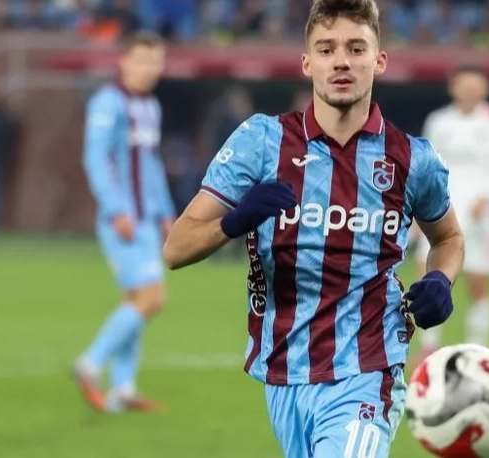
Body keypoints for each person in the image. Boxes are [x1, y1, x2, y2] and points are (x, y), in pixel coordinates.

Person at [163, 0, 464, 456]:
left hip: (369, 369)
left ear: (379, 61)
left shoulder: (411, 158)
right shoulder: (262, 142)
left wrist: (441, 279)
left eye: (356, 48)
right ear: (307, 63)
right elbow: (175, 249)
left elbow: (449, 238)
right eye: (326, 49)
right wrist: (235, 221)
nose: (341, 61)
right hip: (285, 371)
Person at [74, 31, 175, 413]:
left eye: (156, 61)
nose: (150, 69)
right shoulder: (108, 102)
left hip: (147, 218)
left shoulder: (151, 106)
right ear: (124, 62)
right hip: (123, 220)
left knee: (134, 302)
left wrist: (165, 211)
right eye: (143, 60)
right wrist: (117, 209)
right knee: (153, 298)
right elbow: (96, 158)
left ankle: (122, 389)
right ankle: (90, 363)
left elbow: (151, 163)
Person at [414, 65, 489, 353]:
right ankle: (428, 346)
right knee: (428, 275)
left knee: (477, 283)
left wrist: (487, 197)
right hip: (441, 207)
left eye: (474, 85)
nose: (469, 91)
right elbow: (426, 163)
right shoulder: (438, 121)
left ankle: (477, 350)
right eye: (463, 85)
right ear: (453, 87)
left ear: (485, 89)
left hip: (480, 211)